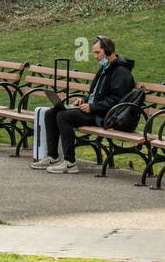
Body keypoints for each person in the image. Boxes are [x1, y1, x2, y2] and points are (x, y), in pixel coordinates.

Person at [31, 36, 135, 173]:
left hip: (103, 115)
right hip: (93, 110)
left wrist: (92, 107)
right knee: (52, 112)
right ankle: (52, 156)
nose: (95, 56)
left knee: (63, 116)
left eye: (97, 52)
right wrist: (84, 100)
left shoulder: (121, 72)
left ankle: (70, 162)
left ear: (108, 51)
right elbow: (97, 93)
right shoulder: (105, 68)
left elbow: (116, 100)